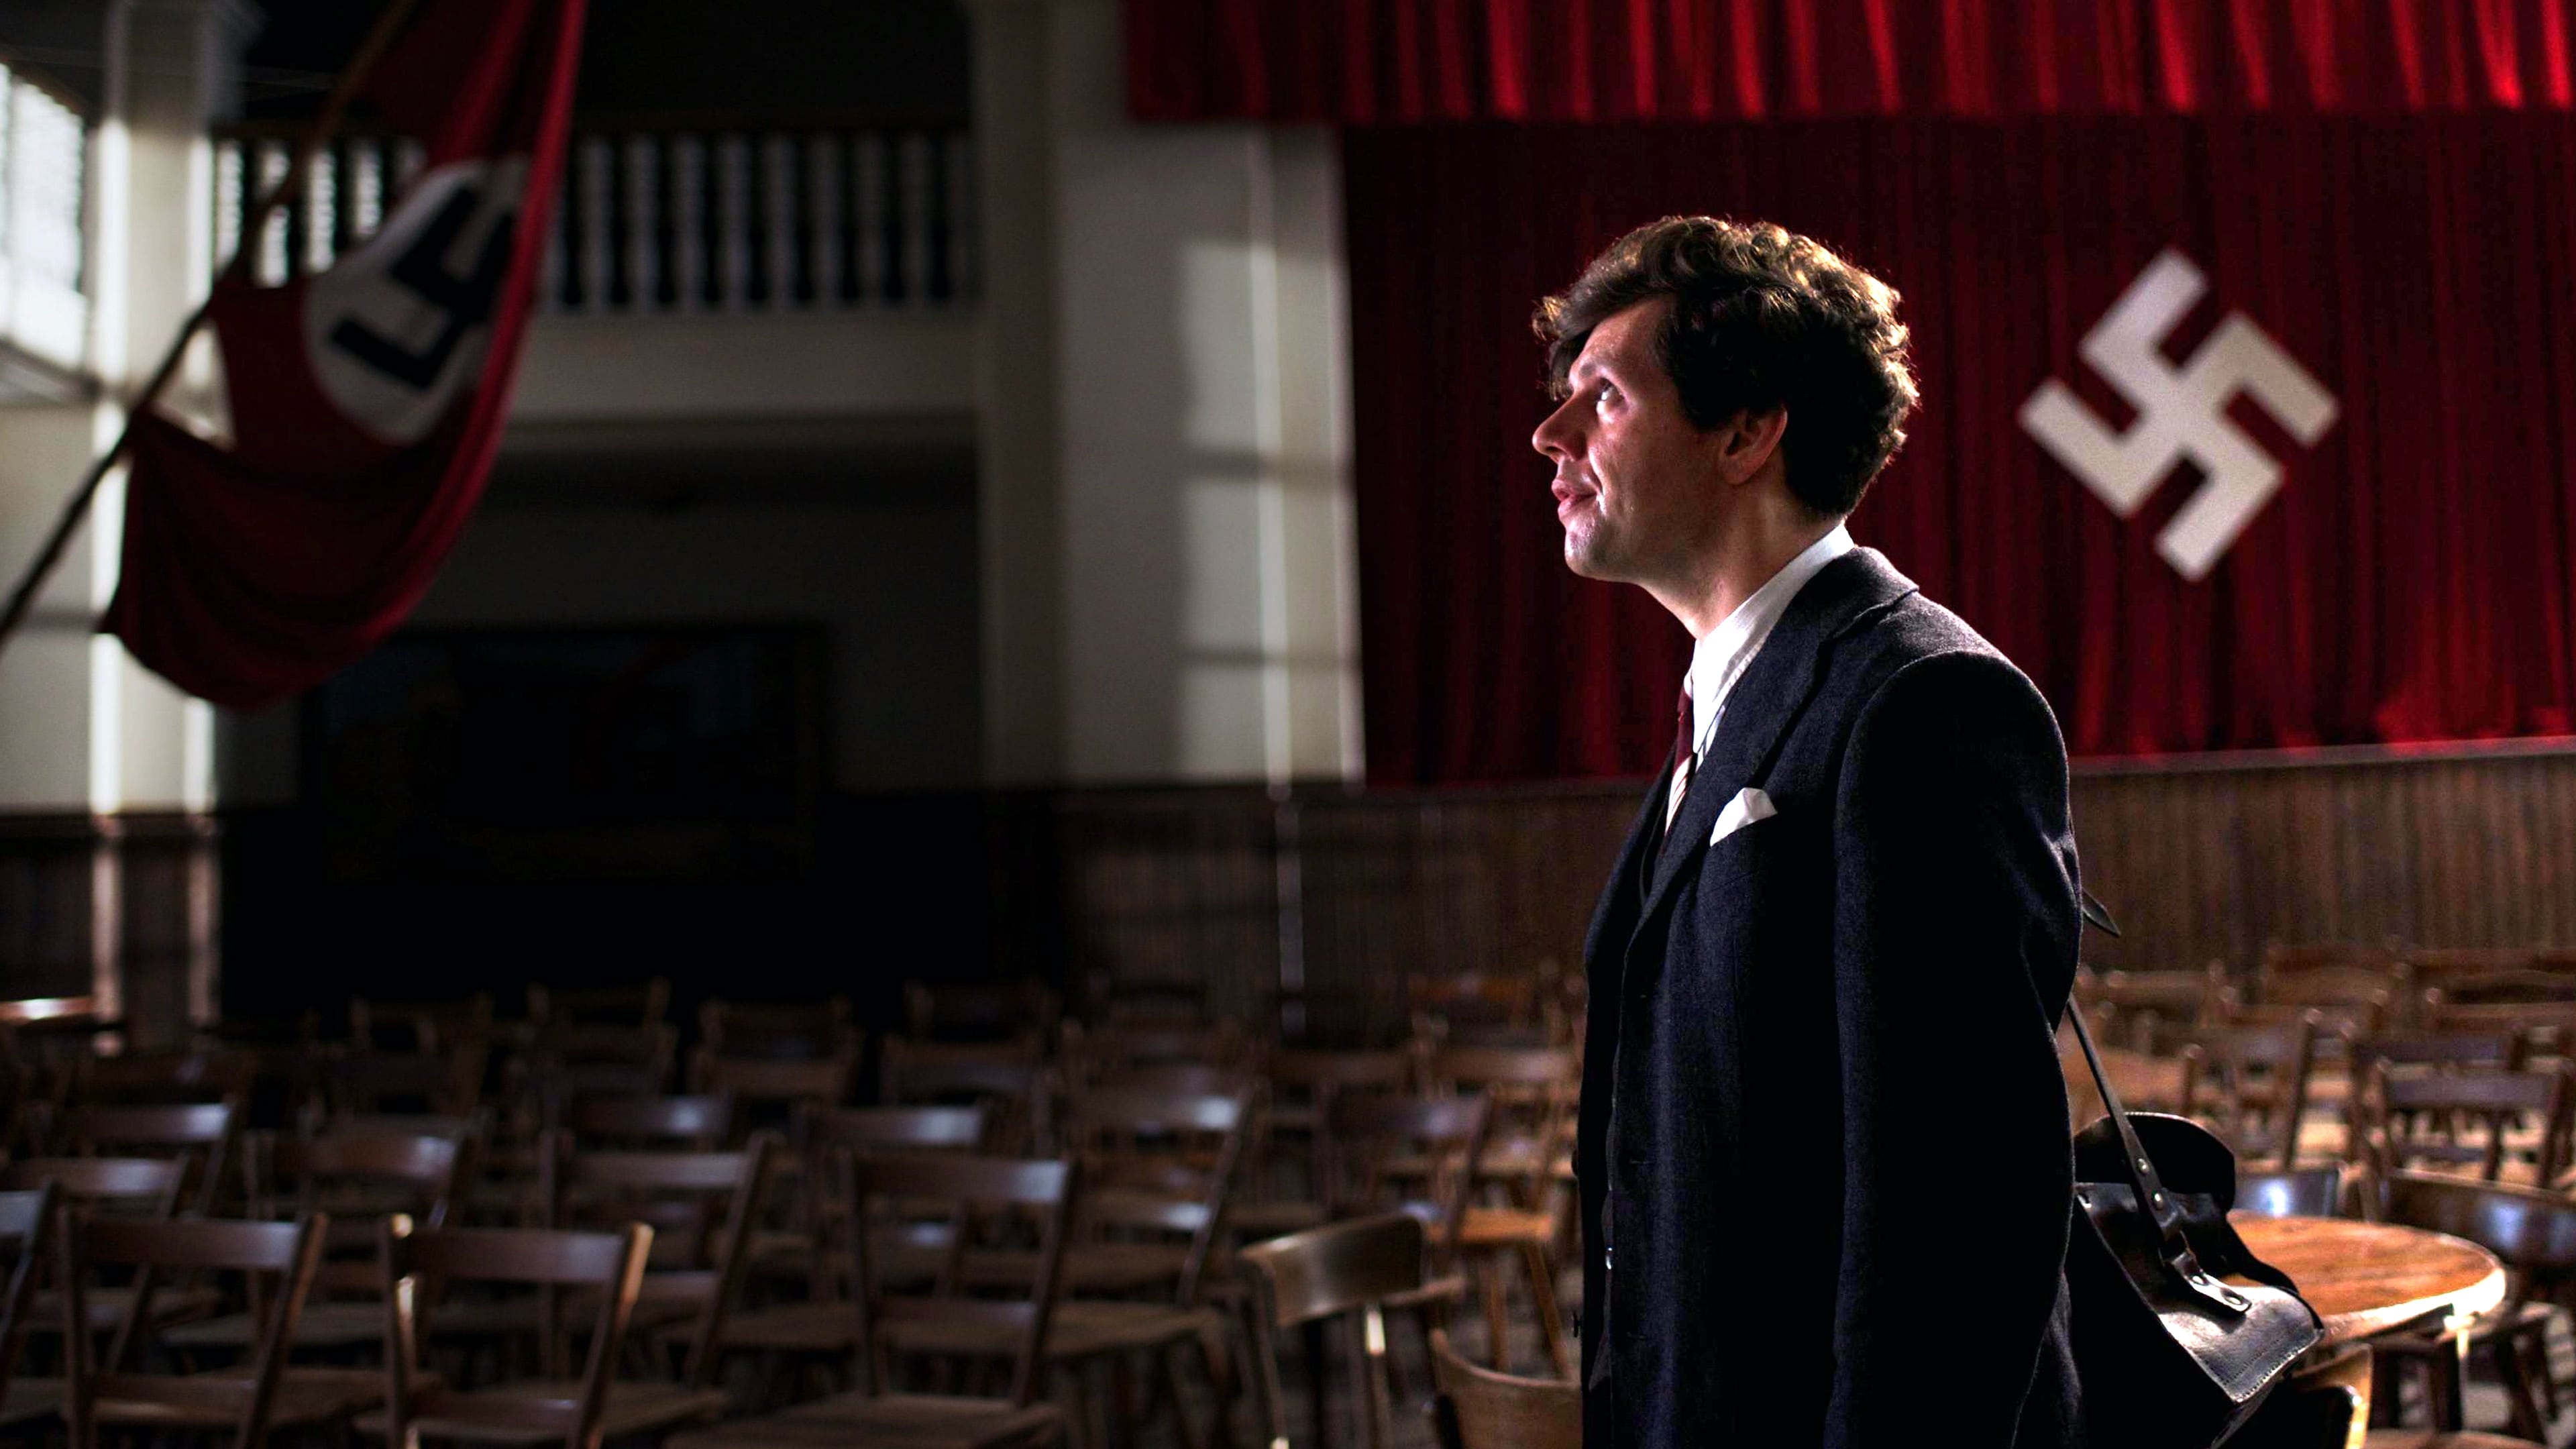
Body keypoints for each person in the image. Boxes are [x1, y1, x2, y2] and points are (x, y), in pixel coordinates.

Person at [1532, 216, 2082, 1446]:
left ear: (1746, 432)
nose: (1551, 436)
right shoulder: (1734, 698)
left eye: (1604, 398)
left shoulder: (1923, 702)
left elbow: (1957, 1224)